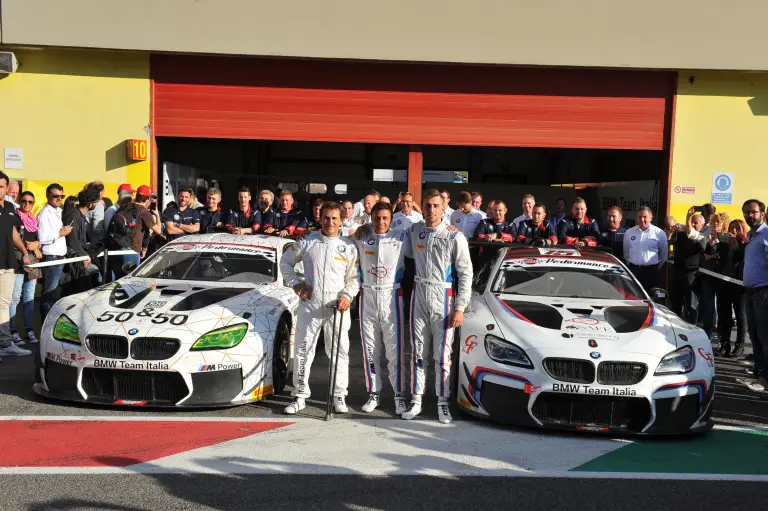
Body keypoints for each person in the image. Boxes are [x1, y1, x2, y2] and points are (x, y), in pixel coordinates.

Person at [280, 201, 359, 414]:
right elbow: (285, 262)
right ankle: (299, 395)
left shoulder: (349, 246)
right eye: (326, 217)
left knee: (339, 351)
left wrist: (347, 296)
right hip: (310, 303)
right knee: (304, 349)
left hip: (337, 306)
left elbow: (354, 278)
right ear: (320, 218)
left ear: (341, 220)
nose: (330, 222)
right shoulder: (307, 241)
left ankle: (339, 395)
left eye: (334, 218)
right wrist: (296, 284)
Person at [402, 189, 472, 423]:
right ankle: (417, 400)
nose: (431, 209)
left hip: (444, 296)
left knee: (443, 355)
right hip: (419, 292)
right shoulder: (414, 231)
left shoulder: (454, 236)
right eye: (427, 205)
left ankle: (443, 402)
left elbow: (465, 273)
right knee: (418, 352)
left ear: (444, 208)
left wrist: (460, 307)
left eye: (435, 205)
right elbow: (396, 246)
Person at [353, 202, 408, 414]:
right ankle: (373, 393)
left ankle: (399, 394)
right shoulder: (360, 236)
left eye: (385, 218)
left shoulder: (401, 237)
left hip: (392, 295)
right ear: (371, 218)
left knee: (394, 352)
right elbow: (337, 238)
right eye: (377, 218)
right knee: (369, 350)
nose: (381, 222)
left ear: (391, 218)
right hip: (367, 294)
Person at [0, 172, 32, 359]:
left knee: (4, 303)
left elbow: (13, 232)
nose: (0, 190)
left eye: (2, 186)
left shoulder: (11, 207)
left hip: (7, 262)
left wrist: (25, 252)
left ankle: (4, 343)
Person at [739, 199, 768, 392]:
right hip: (750, 292)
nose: (750, 216)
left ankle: (766, 379)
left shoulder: (766, 234)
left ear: (762, 214)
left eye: (753, 212)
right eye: (746, 212)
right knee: (755, 336)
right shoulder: (752, 235)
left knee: (765, 337)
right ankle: (759, 374)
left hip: (763, 292)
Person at [10, 191, 41, 346]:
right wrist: (25, 251)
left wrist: (36, 246)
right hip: (18, 261)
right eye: (24, 201)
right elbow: (13, 239)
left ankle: (29, 330)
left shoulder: (33, 220)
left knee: (29, 298)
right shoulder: (14, 217)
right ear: (19, 201)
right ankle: (12, 331)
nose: (27, 204)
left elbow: (38, 240)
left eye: (30, 202)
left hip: (31, 261)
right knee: (15, 297)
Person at [37, 183, 72, 322]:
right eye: (55, 196)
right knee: (49, 295)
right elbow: (43, 238)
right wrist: (61, 233)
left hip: (59, 258)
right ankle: (45, 325)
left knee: (54, 295)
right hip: (51, 258)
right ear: (48, 196)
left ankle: (50, 324)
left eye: (61, 196)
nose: (59, 198)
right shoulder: (45, 214)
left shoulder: (58, 211)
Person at [714, 219, 748, 357]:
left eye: (737, 228)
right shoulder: (723, 243)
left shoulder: (745, 244)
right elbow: (715, 256)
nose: (733, 231)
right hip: (723, 283)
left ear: (742, 230)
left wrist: (736, 246)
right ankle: (724, 343)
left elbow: (743, 259)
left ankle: (739, 345)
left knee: (740, 315)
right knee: (724, 315)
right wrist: (712, 244)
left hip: (739, 285)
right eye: (731, 228)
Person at [669, 207, 707, 323]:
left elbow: (692, 233)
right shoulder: (680, 234)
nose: (693, 225)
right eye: (692, 222)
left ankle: (692, 327)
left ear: (702, 226)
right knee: (676, 302)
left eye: (696, 223)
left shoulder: (703, 237)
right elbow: (669, 241)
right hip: (677, 272)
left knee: (691, 305)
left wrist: (688, 217)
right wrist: (671, 231)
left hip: (692, 275)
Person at [623, 207, 668, 293]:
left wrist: (654, 267)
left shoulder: (659, 233)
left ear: (651, 218)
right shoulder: (629, 232)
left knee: (651, 298)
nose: (642, 219)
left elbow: (664, 255)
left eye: (645, 217)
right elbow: (626, 252)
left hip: (651, 272)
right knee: (633, 296)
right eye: (639, 217)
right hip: (634, 271)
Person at [62, 189, 99, 295]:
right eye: (96, 202)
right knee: (74, 291)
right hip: (74, 259)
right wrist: (83, 256)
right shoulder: (73, 215)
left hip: (78, 257)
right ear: (90, 204)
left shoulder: (79, 215)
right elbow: (72, 240)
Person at [699, 212, 730, 339]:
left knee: (722, 307)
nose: (715, 224)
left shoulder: (727, 238)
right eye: (713, 222)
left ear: (724, 224)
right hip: (707, 277)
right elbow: (702, 255)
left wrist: (712, 255)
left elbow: (725, 256)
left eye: (718, 222)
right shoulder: (706, 237)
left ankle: (722, 335)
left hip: (722, 278)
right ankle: (708, 332)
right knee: (708, 306)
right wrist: (709, 245)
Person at [130, 185, 163, 260]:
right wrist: (157, 214)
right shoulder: (143, 212)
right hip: (134, 249)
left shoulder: (128, 206)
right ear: (148, 198)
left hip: (123, 246)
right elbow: (158, 230)